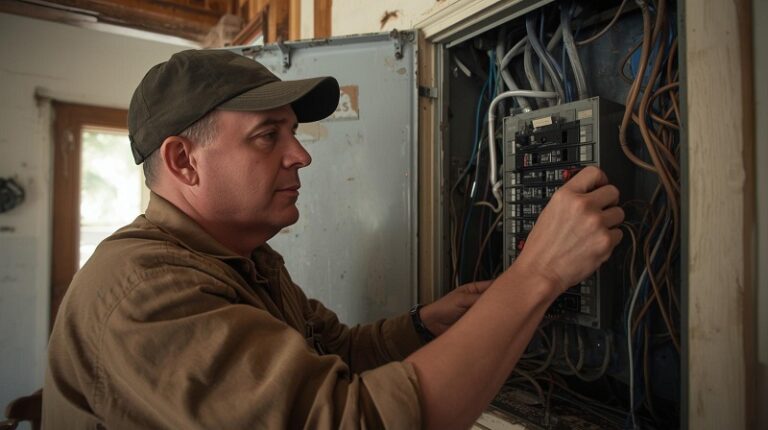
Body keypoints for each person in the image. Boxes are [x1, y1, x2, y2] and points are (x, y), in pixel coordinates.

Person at [43, 49, 624, 429]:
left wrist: (424, 325)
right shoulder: (146, 293)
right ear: (183, 160)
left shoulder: (244, 260)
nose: (300, 155)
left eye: (293, 133)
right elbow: (351, 421)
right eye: (268, 136)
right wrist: (537, 275)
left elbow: (333, 350)